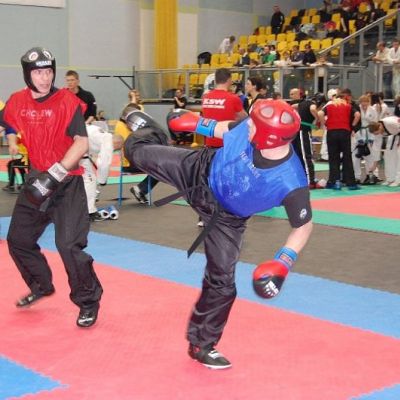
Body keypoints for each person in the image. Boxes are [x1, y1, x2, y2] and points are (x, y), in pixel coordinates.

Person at [123, 99, 313, 369]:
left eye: (254, 126)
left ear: (268, 137)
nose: (249, 126)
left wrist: (284, 261)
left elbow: (304, 225)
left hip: (226, 219)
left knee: (222, 283)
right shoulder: (251, 127)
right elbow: (226, 129)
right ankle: (152, 131)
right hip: (198, 169)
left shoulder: (291, 182)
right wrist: (197, 123)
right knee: (136, 153)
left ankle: (201, 343)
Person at [0, 47, 103, 327]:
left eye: (48, 71)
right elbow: (7, 122)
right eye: (38, 73)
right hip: (36, 181)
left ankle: (88, 301)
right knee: (18, 239)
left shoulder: (67, 102)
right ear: (27, 75)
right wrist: (11, 138)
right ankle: (41, 284)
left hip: (67, 182)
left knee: (69, 245)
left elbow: (81, 143)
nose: (44, 78)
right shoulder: (17, 100)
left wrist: (55, 174)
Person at [114, 103, 161, 203]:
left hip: (136, 159)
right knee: (159, 169)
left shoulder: (131, 126)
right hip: (129, 162)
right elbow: (130, 145)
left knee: (160, 166)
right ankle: (140, 190)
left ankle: (140, 189)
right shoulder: (121, 126)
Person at [81, 124, 124, 221]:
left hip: (73, 146)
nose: (114, 150)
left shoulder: (99, 131)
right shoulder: (108, 141)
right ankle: (89, 211)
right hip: (76, 149)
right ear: (117, 143)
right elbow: (104, 163)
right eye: (116, 149)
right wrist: (102, 180)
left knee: (79, 178)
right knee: (90, 180)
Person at [319, 89, 360, 189]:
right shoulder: (348, 106)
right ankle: (351, 183)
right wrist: (352, 125)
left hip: (332, 132)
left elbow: (320, 113)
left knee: (333, 157)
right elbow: (357, 115)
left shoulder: (330, 105)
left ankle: (334, 182)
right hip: (345, 132)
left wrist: (323, 124)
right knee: (347, 157)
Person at [368, 116, 400, 187]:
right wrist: (374, 165)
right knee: (387, 155)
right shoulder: (378, 131)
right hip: (394, 134)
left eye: (377, 133)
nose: (377, 134)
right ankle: (390, 179)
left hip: (397, 131)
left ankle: (398, 180)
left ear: (379, 127)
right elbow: (376, 149)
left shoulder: (391, 123)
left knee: (399, 156)